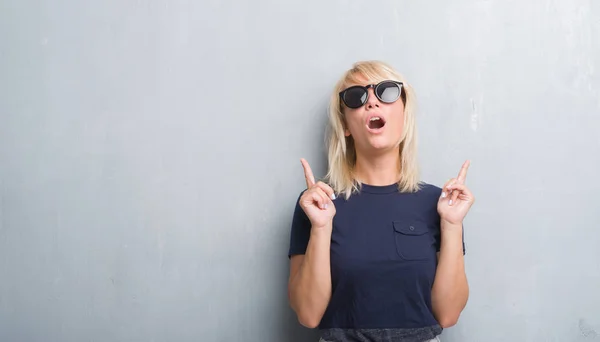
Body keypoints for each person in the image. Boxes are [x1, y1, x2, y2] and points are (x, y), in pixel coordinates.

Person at [287, 60, 475, 342]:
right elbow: (308, 314)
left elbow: (448, 315)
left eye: (386, 92)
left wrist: (452, 225)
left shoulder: (440, 204)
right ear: (346, 126)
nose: (372, 102)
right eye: (356, 97)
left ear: (404, 113)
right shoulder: (317, 204)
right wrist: (321, 228)